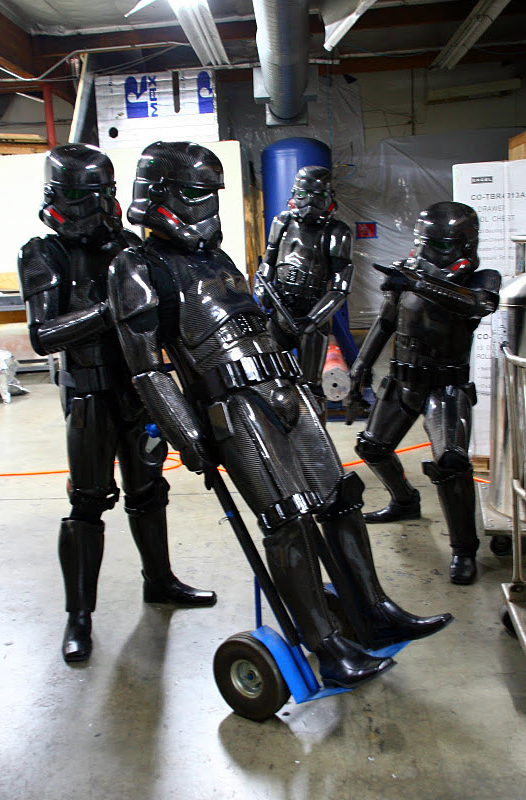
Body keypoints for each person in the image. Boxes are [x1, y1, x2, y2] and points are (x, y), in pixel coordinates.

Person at [107, 140, 452, 691]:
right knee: (287, 519)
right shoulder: (136, 266)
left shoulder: (216, 258)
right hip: (232, 404)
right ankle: (326, 646)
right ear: (161, 193)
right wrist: (188, 435)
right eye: (196, 193)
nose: (207, 206)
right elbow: (147, 368)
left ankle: (374, 611)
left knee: (341, 498)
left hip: (286, 385)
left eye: (212, 194)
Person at [18, 143, 216, 664]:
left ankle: (160, 580)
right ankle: (79, 616)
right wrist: (111, 310)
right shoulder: (43, 253)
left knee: (149, 492)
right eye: (82, 195)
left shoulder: (129, 246)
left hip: (140, 387)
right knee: (88, 502)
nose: (95, 206)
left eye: (100, 193)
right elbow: (43, 334)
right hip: (89, 392)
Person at [347, 202, 501, 585]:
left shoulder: (481, 279)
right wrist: (359, 368)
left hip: (445, 387)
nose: (425, 252)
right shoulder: (408, 272)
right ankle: (404, 500)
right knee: (372, 448)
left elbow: (478, 305)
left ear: (465, 244)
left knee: (451, 463)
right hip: (402, 381)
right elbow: (385, 323)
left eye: (437, 245)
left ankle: (464, 549)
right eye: (422, 242)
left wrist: (417, 282)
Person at [254, 166, 353, 416]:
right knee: (273, 379)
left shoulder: (337, 232)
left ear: (328, 197)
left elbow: (340, 288)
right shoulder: (282, 222)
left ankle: (315, 435)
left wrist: (313, 319)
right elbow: (267, 261)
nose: (309, 202)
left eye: (317, 196)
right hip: (279, 312)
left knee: (312, 387)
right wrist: (262, 289)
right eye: (302, 194)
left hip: (313, 318)